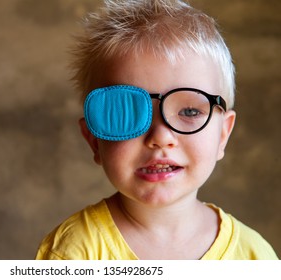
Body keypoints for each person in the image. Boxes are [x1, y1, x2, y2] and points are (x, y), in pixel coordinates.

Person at [35, 0, 278, 260]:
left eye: (189, 112)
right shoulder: (74, 252)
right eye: (127, 111)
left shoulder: (255, 256)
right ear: (94, 140)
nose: (160, 137)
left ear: (222, 135)